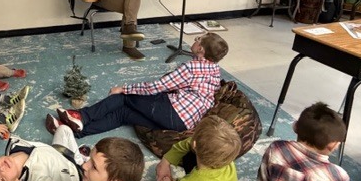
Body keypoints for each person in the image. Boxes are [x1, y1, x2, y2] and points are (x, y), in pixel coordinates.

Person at [47, 33, 228, 138]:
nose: (195, 40)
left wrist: (123, 89)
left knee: (122, 98)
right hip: (182, 123)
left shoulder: (191, 67)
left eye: (198, 39)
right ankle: (73, 132)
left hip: (173, 111)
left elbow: (156, 87)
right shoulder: (214, 69)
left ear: (201, 49)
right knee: (123, 114)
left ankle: (80, 116)